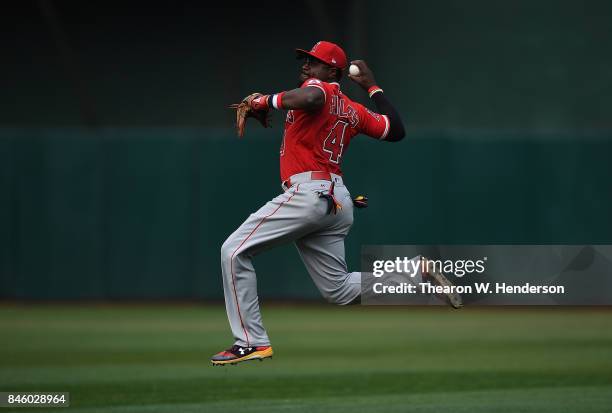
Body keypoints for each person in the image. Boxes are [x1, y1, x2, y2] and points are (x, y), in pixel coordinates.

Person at [211, 41, 460, 366]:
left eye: (314, 62)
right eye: (305, 60)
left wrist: (264, 100)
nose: (306, 66)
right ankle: (416, 274)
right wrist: (372, 86)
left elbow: (314, 96)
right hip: (336, 199)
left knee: (233, 251)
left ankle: (250, 341)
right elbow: (395, 129)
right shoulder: (352, 109)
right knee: (339, 290)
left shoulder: (321, 89)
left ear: (333, 72)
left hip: (309, 194)